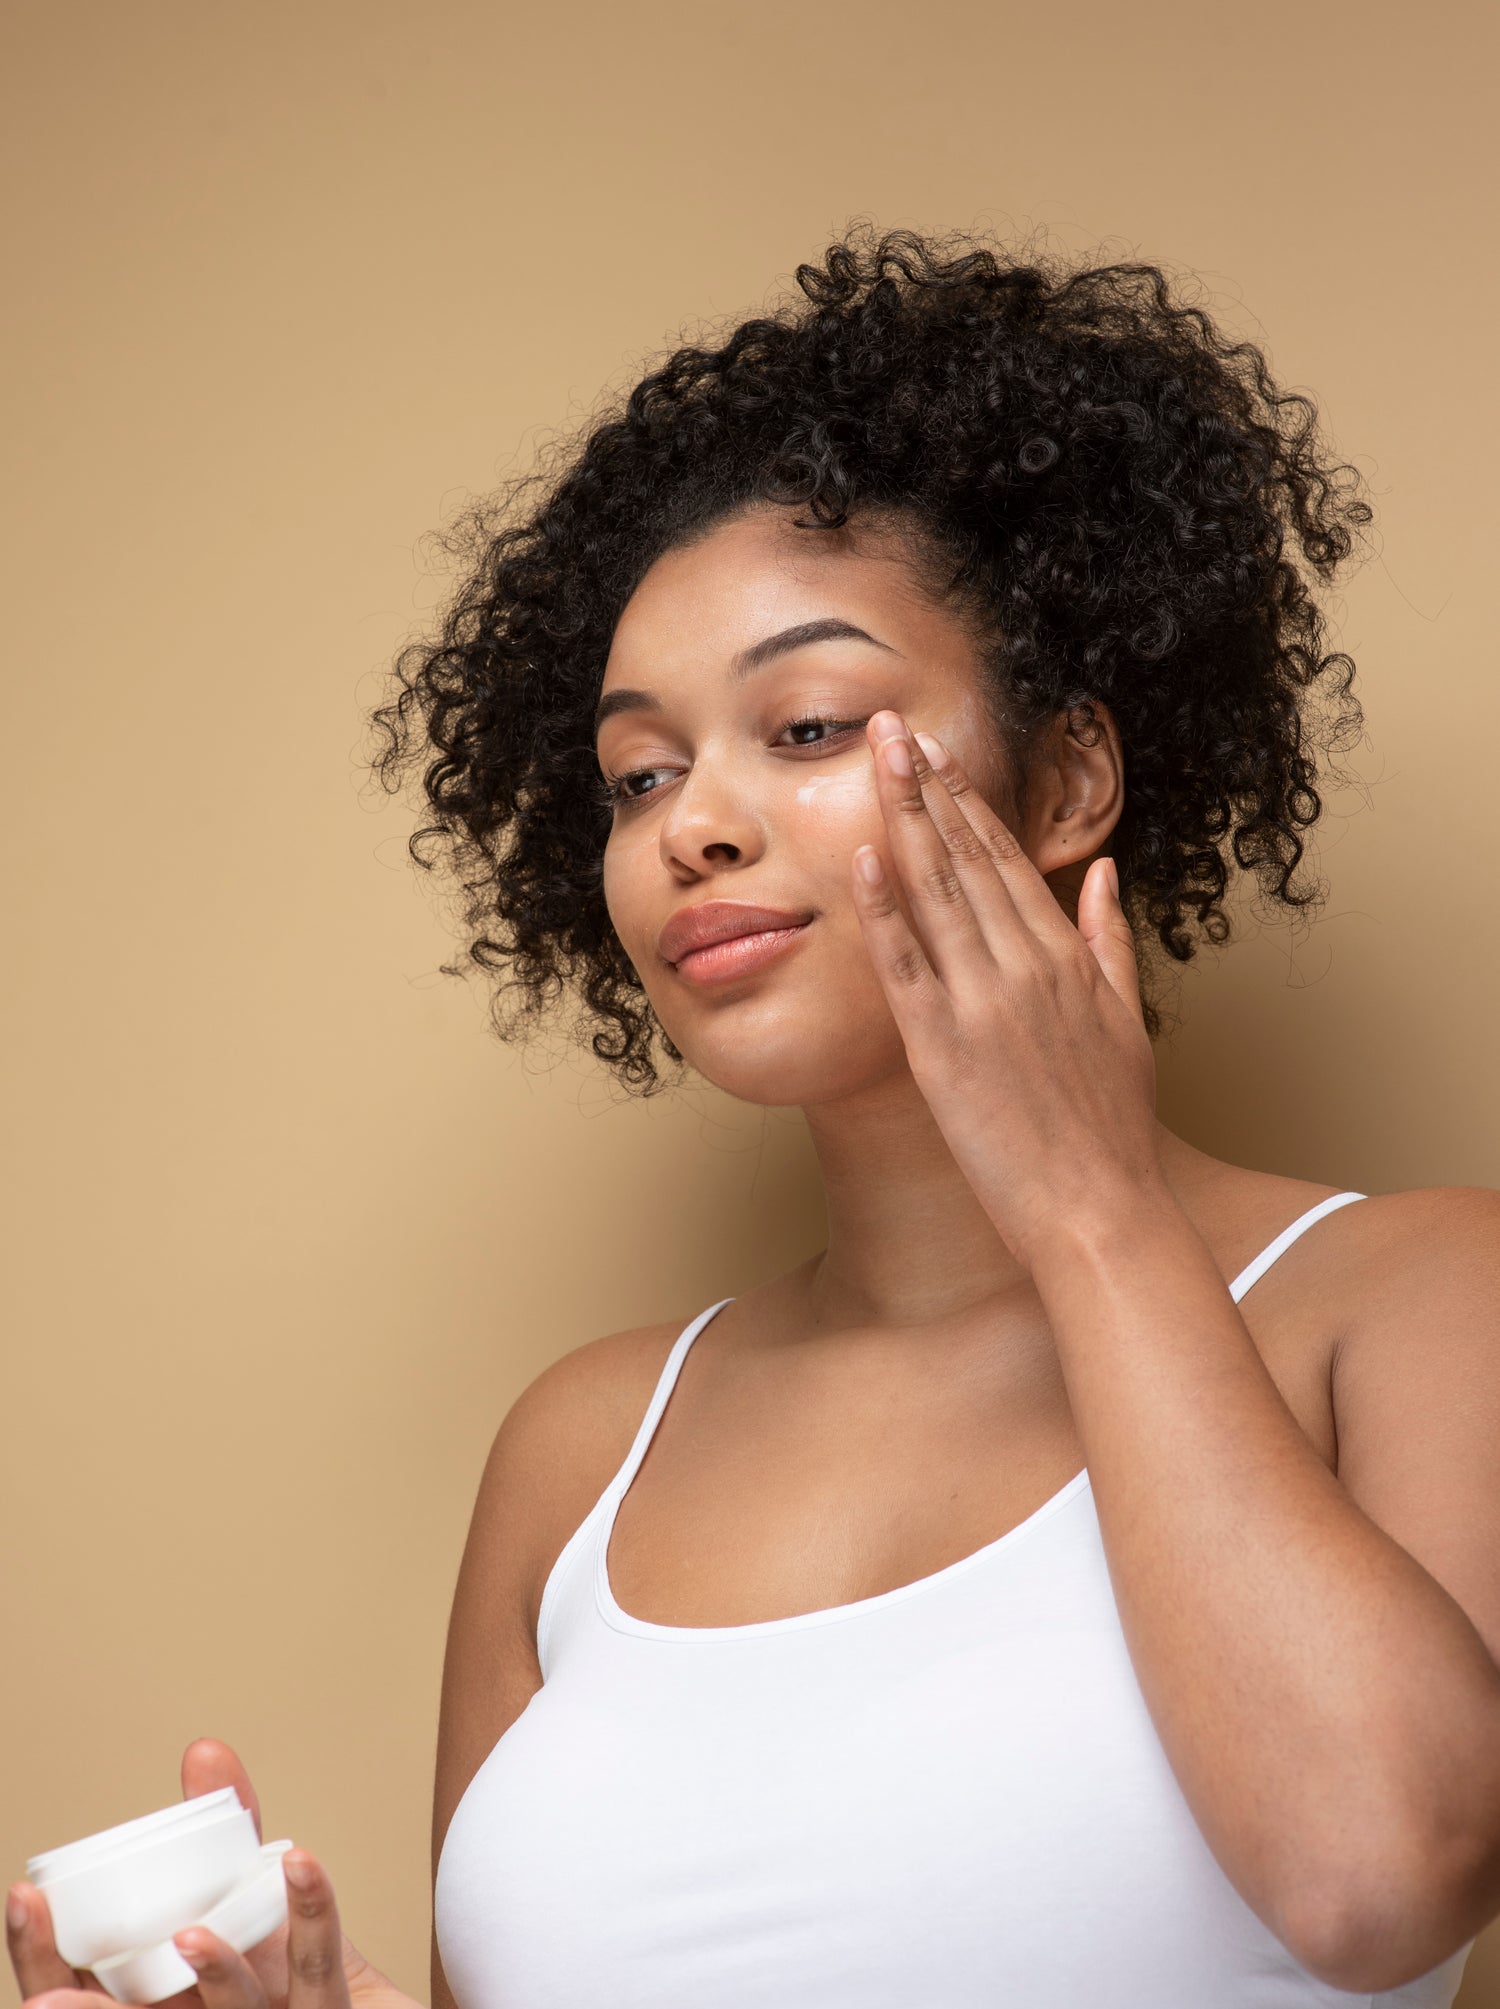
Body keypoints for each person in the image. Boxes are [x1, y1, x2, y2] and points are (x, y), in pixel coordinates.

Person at [11, 224, 1500, 2009]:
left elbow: (1381, 1879)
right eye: (640, 773)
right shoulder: (581, 1450)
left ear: (1074, 777)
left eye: (803, 724)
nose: (689, 824)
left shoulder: (1417, 1298)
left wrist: (1091, 1210)